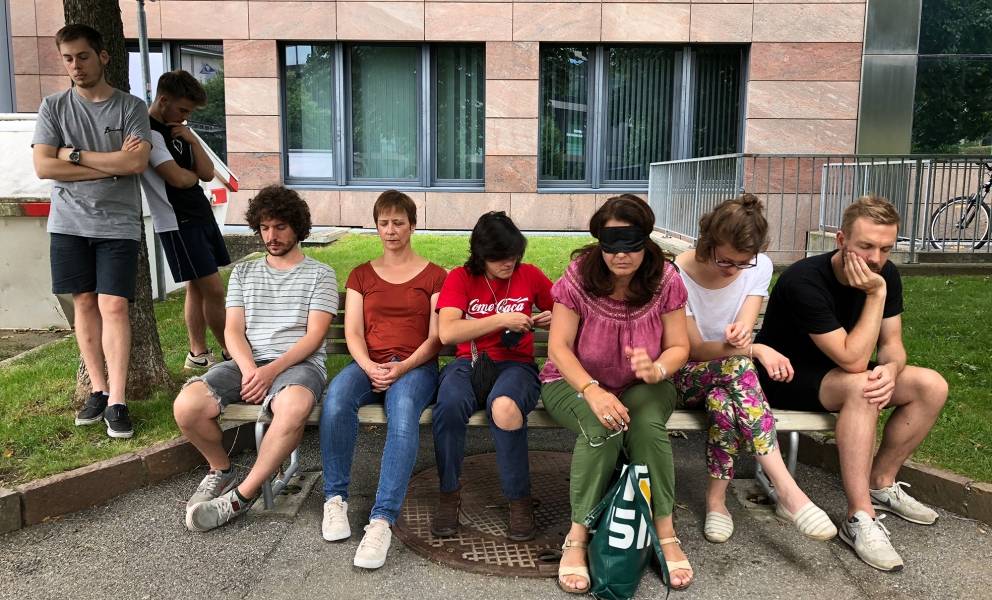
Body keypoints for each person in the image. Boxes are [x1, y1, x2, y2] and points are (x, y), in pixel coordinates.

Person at [755, 196, 948, 572]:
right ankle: (860, 516)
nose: (876, 258)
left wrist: (891, 370)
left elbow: (892, 346)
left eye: (885, 248)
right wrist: (875, 295)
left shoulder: (886, 273)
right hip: (786, 377)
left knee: (931, 385)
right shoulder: (804, 280)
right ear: (842, 239)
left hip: (843, 373)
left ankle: (881, 482)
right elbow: (853, 359)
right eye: (866, 246)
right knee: (861, 385)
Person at [541, 194, 694, 593]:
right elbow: (559, 347)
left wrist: (657, 368)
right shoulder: (578, 275)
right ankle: (577, 536)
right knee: (604, 423)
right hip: (572, 381)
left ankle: (665, 529)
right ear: (599, 242)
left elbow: (680, 346)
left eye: (631, 244)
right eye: (611, 244)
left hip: (646, 384)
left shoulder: (666, 278)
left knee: (645, 425)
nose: (621, 255)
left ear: (646, 239)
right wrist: (591, 390)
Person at [672, 194, 835, 544]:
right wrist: (755, 347)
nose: (733, 268)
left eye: (743, 262)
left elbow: (743, 330)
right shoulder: (676, 273)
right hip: (683, 376)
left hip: (731, 379)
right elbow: (695, 348)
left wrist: (743, 335)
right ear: (707, 241)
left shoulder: (758, 266)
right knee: (737, 366)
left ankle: (716, 503)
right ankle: (789, 491)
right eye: (725, 259)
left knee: (724, 404)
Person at [174, 186, 337, 532]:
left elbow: (314, 337)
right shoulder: (244, 274)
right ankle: (221, 470)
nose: (271, 236)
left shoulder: (319, 274)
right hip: (248, 363)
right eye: (264, 228)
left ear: (297, 227)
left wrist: (270, 372)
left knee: (291, 409)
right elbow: (233, 330)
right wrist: (251, 370)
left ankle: (239, 499)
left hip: (300, 365)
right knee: (187, 406)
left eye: (279, 227)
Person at [32, 24, 152, 439]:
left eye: (82, 56)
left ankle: (118, 400)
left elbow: (135, 165)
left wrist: (75, 155)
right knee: (84, 302)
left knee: (114, 306)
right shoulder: (53, 106)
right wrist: (110, 161)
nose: (75, 66)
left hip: (117, 224)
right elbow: (44, 167)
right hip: (68, 223)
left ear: (102, 57)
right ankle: (98, 390)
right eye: (67, 58)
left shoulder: (131, 107)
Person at [319, 190, 447, 569]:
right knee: (337, 400)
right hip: (368, 362)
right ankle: (335, 499)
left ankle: (382, 520)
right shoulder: (361, 274)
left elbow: (436, 337)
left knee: (403, 414)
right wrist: (370, 366)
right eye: (384, 223)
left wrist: (402, 367)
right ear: (376, 226)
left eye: (398, 222)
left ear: (412, 224)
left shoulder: (436, 275)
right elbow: (355, 332)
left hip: (417, 367)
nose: (391, 230)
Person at [431, 211, 553, 542]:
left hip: (516, 365)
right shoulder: (460, 278)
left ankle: (519, 500)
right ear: (481, 255)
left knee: (505, 407)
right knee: (450, 405)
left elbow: (566, 309)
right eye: (499, 258)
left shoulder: (530, 275)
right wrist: (502, 319)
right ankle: (448, 494)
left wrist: (550, 316)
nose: (508, 263)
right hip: (469, 362)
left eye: (513, 254)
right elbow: (448, 331)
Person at [139, 69, 231, 370]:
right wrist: (190, 177)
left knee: (198, 286)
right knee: (215, 290)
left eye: (189, 113)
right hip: (179, 222)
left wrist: (192, 141)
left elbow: (205, 174)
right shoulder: (149, 132)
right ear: (163, 100)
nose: (184, 117)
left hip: (200, 215)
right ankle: (232, 352)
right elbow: (178, 179)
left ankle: (198, 354)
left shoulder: (180, 130)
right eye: (182, 110)